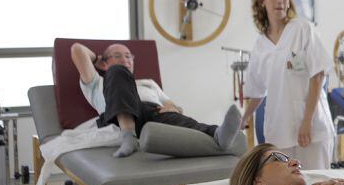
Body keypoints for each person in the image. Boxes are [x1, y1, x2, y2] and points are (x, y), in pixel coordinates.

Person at [71, 42, 241, 158]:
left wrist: (174, 108)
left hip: (154, 114)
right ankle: (128, 136)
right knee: (117, 71)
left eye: (128, 56)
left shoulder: (148, 83)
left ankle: (218, 134)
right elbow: (77, 49)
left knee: (179, 119)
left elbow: (169, 103)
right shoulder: (98, 82)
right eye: (117, 56)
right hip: (117, 118)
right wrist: (97, 60)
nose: (125, 60)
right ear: (103, 63)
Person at [240, 0, 335, 169]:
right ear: (262, 1)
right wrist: (243, 118)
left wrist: (306, 121)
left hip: (311, 126)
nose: (280, 0)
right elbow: (257, 91)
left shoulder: (302, 29)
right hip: (279, 129)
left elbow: (318, 75)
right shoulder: (260, 45)